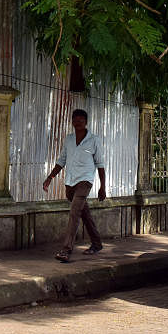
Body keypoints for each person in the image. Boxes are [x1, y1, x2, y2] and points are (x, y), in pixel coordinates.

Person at [43, 108, 106, 262]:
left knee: (74, 213)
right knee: (84, 213)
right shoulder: (69, 139)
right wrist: (50, 177)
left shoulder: (94, 140)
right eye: (75, 120)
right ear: (72, 122)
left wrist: (102, 187)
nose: (77, 122)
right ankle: (97, 243)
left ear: (86, 122)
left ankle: (66, 250)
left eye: (81, 120)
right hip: (70, 183)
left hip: (85, 182)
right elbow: (62, 160)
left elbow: (100, 165)